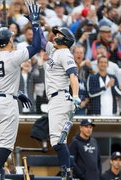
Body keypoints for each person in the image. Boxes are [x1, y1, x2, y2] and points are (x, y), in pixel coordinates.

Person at [0, 1, 41, 179]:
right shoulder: (13, 56)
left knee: (1, 145)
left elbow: (3, 80)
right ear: (9, 40)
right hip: (6, 104)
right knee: (6, 147)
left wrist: (18, 93)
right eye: (12, 38)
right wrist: (36, 23)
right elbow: (37, 45)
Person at [40, 25, 81, 178]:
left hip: (60, 98)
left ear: (66, 39)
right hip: (55, 100)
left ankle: (66, 174)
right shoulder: (55, 51)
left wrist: (75, 95)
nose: (55, 35)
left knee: (57, 142)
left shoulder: (65, 54)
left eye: (58, 34)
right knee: (57, 141)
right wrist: (36, 24)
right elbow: (41, 41)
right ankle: (67, 172)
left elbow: (73, 75)